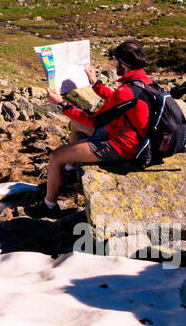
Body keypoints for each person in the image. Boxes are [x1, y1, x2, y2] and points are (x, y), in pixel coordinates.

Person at [39, 40, 154, 213]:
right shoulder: (143, 80)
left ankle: (49, 205)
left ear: (123, 63)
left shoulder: (127, 91)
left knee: (55, 156)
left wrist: (61, 104)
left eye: (114, 59)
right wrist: (95, 84)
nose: (113, 63)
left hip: (122, 146)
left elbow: (94, 121)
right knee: (75, 123)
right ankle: (71, 168)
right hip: (125, 132)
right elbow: (118, 100)